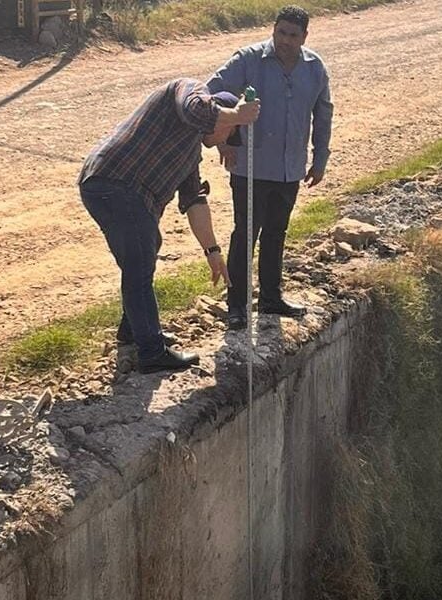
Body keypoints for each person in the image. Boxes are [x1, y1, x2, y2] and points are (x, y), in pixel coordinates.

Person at [78, 79, 260, 373]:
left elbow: (194, 202)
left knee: (145, 252)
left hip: (122, 191)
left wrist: (213, 252)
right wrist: (237, 115)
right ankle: (151, 352)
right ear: (224, 114)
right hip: (115, 181)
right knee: (139, 263)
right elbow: (195, 109)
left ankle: (135, 334)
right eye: (231, 131)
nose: (227, 138)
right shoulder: (187, 91)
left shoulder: (191, 154)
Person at [207, 5, 334, 330]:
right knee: (245, 234)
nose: (285, 41)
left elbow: (323, 115)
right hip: (250, 166)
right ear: (273, 30)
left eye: (293, 35)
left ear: (304, 36)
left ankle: (271, 298)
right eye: (281, 32)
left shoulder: (314, 68)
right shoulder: (249, 60)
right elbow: (210, 96)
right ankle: (236, 306)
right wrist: (225, 139)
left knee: (277, 233)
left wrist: (319, 160)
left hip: (290, 168)